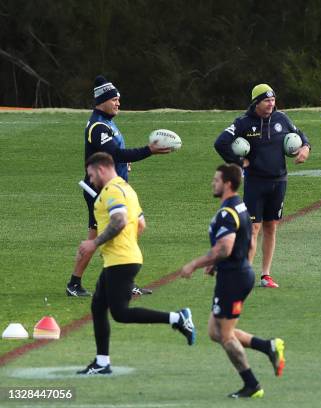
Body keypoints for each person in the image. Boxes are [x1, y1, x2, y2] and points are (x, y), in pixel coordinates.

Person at [76, 152, 195, 375]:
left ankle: (178, 318)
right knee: (98, 306)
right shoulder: (127, 189)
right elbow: (141, 223)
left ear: (101, 169)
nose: (90, 180)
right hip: (122, 257)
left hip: (121, 260)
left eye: (91, 175)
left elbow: (119, 220)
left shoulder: (112, 191)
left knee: (120, 313)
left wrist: (95, 244)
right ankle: (102, 362)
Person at [179, 164, 285, 398]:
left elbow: (225, 247)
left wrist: (195, 264)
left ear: (227, 183)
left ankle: (252, 385)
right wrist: (217, 264)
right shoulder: (240, 206)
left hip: (234, 279)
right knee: (215, 332)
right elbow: (245, 243)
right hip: (234, 274)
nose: (212, 183)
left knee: (225, 335)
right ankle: (267, 346)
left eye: (216, 180)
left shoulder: (228, 212)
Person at [66, 75, 171, 297]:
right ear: (102, 100)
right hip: (99, 191)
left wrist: (125, 162)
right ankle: (75, 283)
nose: (118, 103)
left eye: (118, 99)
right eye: (114, 99)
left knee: (138, 225)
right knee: (99, 237)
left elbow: (114, 155)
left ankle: (122, 280)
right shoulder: (98, 127)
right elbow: (115, 153)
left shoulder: (108, 123)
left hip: (117, 187)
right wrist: (148, 151)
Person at [214, 84, 310, 288]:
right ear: (256, 102)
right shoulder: (243, 122)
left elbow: (301, 136)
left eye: (273, 100)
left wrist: (305, 148)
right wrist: (239, 163)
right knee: (253, 228)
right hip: (256, 183)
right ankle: (245, 273)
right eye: (267, 101)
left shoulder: (281, 118)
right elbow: (220, 143)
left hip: (279, 181)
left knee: (271, 227)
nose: (271, 104)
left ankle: (266, 275)